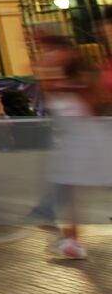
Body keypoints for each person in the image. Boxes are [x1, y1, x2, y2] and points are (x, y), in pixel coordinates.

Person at [35, 28, 112, 259]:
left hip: (88, 138)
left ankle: (71, 239)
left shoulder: (80, 84)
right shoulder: (60, 84)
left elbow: (96, 104)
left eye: (51, 50)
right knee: (70, 190)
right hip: (74, 141)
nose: (46, 59)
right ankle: (71, 239)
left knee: (92, 184)